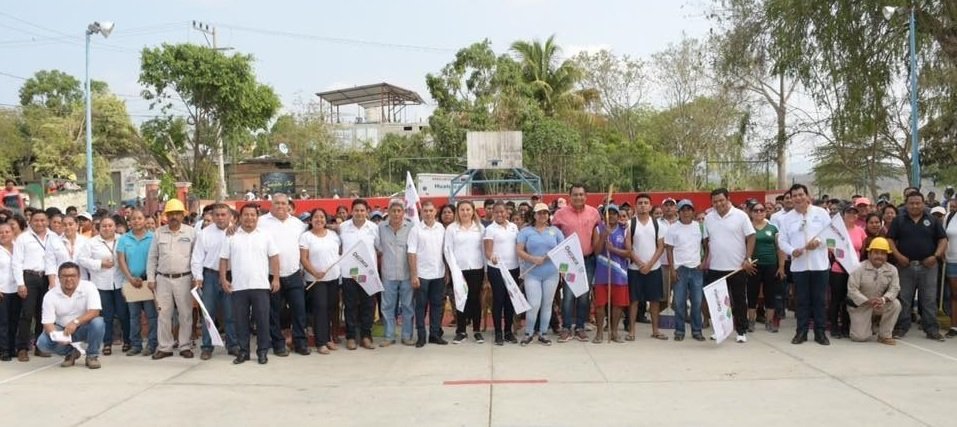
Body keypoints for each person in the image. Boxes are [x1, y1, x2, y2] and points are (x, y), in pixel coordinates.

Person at [221, 204, 280, 365]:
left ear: (257, 217)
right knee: (241, 321)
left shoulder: (265, 235)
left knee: (262, 320)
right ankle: (244, 352)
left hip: (261, 285)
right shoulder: (231, 235)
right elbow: (223, 259)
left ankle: (262, 351)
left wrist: (276, 278)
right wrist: (223, 279)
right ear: (240, 217)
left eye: (253, 215)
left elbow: (274, 257)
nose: (249, 218)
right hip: (239, 286)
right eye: (246, 215)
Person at [777, 184, 832, 346]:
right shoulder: (787, 219)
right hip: (799, 266)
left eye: (801, 194)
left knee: (819, 300)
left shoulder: (821, 213)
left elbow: (831, 236)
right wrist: (791, 251)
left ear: (807, 196)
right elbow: (782, 241)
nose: (798, 198)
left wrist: (819, 242)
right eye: (794, 196)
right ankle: (801, 332)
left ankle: (820, 332)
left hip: (819, 265)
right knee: (802, 301)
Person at [888, 191, 947, 341]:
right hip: (905, 266)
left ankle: (932, 329)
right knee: (904, 298)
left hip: (928, 266)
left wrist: (936, 256)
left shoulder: (933, 220)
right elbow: (890, 240)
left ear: (923, 204)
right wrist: (898, 256)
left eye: (918, 203)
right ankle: (901, 327)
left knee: (929, 299)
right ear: (906, 204)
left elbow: (943, 240)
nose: (915, 206)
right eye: (911, 203)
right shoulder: (898, 220)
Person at [257, 194, 310, 356]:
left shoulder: (298, 224)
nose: (280, 206)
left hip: (294, 274)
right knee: (274, 313)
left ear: (289, 205)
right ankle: (278, 344)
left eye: (283, 203)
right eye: (277, 203)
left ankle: (300, 342)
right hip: (271, 275)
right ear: (271, 205)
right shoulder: (261, 222)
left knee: (299, 310)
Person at [704, 188, 756, 343]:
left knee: (739, 300)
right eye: (715, 201)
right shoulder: (708, 218)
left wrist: (748, 258)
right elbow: (706, 241)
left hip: (737, 267)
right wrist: (706, 259)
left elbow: (751, 236)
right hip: (715, 267)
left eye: (721, 200)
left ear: (728, 199)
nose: (718, 204)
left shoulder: (741, 216)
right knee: (719, 302)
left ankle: (741, 330)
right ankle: (720, 330)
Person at [146, 199, 197, 359]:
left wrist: (196, 277)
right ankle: (165, 347)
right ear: (166, 216)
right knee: (163, 314)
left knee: (185, 314)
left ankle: (185, 345)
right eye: (171, 214)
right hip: (162, 279)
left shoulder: (191, 232)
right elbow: (152, 257)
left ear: (183, 215)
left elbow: (196, 257)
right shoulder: (159, 233)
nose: (174, 216)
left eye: (177, 213)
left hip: (184, 278)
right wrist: (150, 278)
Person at [551, 184, 600, 343]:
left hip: (588, 260)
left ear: (586, 196)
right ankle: (566, 328)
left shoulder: (594, 213)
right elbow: (553, 235)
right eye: (575, 194)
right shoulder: (560, 214)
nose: (578, 197)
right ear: (569, 196)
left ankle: (580, 327)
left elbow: (597, 235)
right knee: (568, 296)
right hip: (568, 262)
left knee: (584, 295)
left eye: (581, 194)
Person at [190, 203, 238, 360]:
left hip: (231, 275)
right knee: (208, 313)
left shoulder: (237, 232)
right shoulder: (204, 233)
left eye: (224, 214)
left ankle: (233, 345)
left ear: (230, 216)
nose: (220, 218)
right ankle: (207, 346)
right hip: (210, 276)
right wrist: (198, 277)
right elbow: (197, 257)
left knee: (230, 313)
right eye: (217, 215)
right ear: (213, 216)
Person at [35, 262, 104, 369]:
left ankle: (92, 356)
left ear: (79, 277)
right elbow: (47, 322)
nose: (69, 279)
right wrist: (57, 336)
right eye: (65, 276)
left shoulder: (89, 287)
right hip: (62, 329)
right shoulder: (50, 295)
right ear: (59, 278)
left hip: (84, 327)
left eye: (72, 276)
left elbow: (95, 311)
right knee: (42, 343)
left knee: (98, 322)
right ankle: (70, 353)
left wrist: (75, 322)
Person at [11, 210, 59, 361]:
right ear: (30, 221)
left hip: (47, 277)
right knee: (27, 313)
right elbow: (16, 262)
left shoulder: (53, 237)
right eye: (36, 220)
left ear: (47, 221)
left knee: (43, 313)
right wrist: (20, 283)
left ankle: (40, 346)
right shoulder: (23, 238)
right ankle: (22, 348)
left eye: (42, 220)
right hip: (29, 277)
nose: (40, 223)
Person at [77, 216, 129, 356]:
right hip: (101, 283)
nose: (107, 228)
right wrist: (100, 264)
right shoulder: (91, 243)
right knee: (107, 315)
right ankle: (107, 343)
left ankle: (127, 341)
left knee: (123, 313)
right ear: (99, 228)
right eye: (104, 226)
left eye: (110, 226)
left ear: (115, 227)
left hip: (120, 281)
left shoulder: (122, 239)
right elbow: (81, 259)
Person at [517, 203, 564, 346]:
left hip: (551, 274)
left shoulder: (555, 231)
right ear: (534, 215)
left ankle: (543, 333)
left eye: (545, 213)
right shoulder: (526, 231)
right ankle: (529, 333)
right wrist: (532, 259)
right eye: (539, 213)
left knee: (547, 304)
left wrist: (552, 257)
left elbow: (563, 249)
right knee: (534, 304)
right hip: (532, 274)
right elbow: (519, 250)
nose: (543, 215)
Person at [338, 199, 380, 350]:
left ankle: (366, 336)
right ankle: (351, 337)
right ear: (352, 211)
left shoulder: (374, 228)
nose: (359, 213)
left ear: (367, 212)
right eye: (356, 210)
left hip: (368, 273)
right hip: (350, 273)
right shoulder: (343, 227)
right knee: (350, 305)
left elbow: (379, 248)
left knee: (368, 306)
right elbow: (339, 248)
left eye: (362, 210)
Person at [666, 200, 708, 341]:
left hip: (696, 268)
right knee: (679, 302)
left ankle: (697, 331)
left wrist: (704, 262)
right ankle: (679, 331)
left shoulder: (699, 227)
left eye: (689, 209)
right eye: (683, 210)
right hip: (680, 269)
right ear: (678, 212)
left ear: (693, 211)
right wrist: (672, 269)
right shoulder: (673, 228)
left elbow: (706, 246)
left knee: (697, 302)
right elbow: (669, 250)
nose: (686, 212)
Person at [299, 208, 340, 354]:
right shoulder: (306, 237)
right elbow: (303, 259)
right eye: (316, 217)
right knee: (320, 309)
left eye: (322, 217)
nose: (319, 220)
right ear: (311, 220)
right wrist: (315, 272)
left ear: (326, 220)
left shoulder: (333, 235)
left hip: (333, 277)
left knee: (330, 308)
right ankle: (321, 342)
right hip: (315, 280)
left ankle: (328, 338)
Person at [117, 209, 157, 356]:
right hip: (131, 282)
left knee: (151, 315)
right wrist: (130, 278)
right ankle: (136, 344)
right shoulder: (124, 239)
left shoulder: (153, 237)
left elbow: (156, 258)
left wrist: (149, 277)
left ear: (144, 220)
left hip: (148, 281)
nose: (136, 221)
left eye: (139, 218)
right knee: (134, 316)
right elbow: (121, 260)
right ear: (129, 221)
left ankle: (152, 344)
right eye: (133, 218)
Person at [846, 237, 901, 345]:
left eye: (883, 253)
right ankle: (867, 325)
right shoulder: (858, 268)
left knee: (895, 304)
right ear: (869, 254)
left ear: (887, 256)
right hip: (861, 305)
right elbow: (852, 290)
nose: (879, 256)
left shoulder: (892, 270)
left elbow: (895, 288)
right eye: (876, 253)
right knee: (859, 337)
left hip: (879, 304)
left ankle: (884, 335)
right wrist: (868, 301)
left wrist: (883, 299)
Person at [627, 193, 666, 341]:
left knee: (654, 300)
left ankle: (655, 330)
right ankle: (632, 331)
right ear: (635, 206)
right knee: (634, 301)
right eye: (640, 203)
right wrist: (639, 263)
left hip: (654, 268)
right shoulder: (630, 224)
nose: (643, 205)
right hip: (634, 269)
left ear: (650, 206)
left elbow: (661, 247)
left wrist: (649, 264)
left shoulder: (658, 224)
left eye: (645, 203)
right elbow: (628, 247)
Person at [408, 201, 448, 347]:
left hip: (438, 274)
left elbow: (445, 251)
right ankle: (421, 336)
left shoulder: (441, 228)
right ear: (421, 212)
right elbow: (411, 253)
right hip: (422, 275)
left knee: (437, 306)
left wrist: (447, 271)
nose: (428, 213)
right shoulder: (415, 230)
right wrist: (414, 275)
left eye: (431, 210)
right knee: (421, 306)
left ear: (435, 212)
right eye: (425, 211)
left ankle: (434, 335)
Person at [446, 200, 486, 344]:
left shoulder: (480, 228)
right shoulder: (451, 228)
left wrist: (486, 271)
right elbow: (448, 250)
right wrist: (453, 269)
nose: (465, 212)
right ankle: (461, 331)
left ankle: (476, 330)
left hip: (476, 268)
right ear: (458, 212)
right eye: (462, 209)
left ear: (473, 211)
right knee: (460, 299)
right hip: (458, 270)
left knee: (475, 299)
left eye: (468, 209)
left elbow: (484, 250)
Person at [592, 204, 630, 343]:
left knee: (618, 304)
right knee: (600, 305)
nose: (611, 216)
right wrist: (603, 236)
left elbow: (628, 252)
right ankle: (599, 333)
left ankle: (614, 332)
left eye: (614, 213)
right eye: (608, 213)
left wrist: (613, 249)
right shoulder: (598, 229)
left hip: (619, 274)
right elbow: (596, 251)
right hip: (602, 273)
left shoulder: (624, 230)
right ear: (604, 216)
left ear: (618, 215)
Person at [483, 201, 520, 346]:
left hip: (513, 268)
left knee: (510, 301)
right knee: (498, 300)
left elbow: (518, 246)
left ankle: (508, 332)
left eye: (502, 211)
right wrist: (491, 257)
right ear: (493, 213)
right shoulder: (490, 229)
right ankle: (498, 332)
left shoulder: (514, 227)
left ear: (507, 212)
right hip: (497, 269)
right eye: (496, 212)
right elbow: (487, 251)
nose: (500, 214)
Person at [827, 205, 866, 339]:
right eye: (849, 212)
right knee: (836, 299)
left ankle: (845, 326)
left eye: (854, 213)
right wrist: (843, 260)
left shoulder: (860, 231)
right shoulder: (837, 230)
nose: (852, 215)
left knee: (849, 298)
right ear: (843, 214)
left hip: (854, 270)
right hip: (838, 268)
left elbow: (861, 250)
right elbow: (830, 246)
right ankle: (834, 326)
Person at [378, 200, 414, 347]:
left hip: (407, 273)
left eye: (399, 211)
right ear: (388, 212)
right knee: (387, 306)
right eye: (393, 211)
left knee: (408, 306)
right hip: (388, 274)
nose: (396, 214)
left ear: (403, 212)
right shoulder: (381, 227)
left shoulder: (411, 227)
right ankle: (389, 336)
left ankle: (407, 336)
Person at [747, 202, 785, 333]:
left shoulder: (773, 228)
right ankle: (751, 321)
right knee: (752, 293)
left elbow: (779, 248)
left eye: (761, 210)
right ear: (751, 213)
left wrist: (781, 266)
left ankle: (769, 322)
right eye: (756, 210)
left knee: (770, 293)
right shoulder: (748, 227)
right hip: (754, 266)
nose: (759, 212)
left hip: (771, 265)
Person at [0, 223, 16, 361]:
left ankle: (12, 347)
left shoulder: (18, 247)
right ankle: (4, 349)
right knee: (3, 321)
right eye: (1, 232)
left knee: (14, 320)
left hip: (17, 290)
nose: (4, 234)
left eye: (7, 231)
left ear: (12, 233)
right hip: (2, 290)